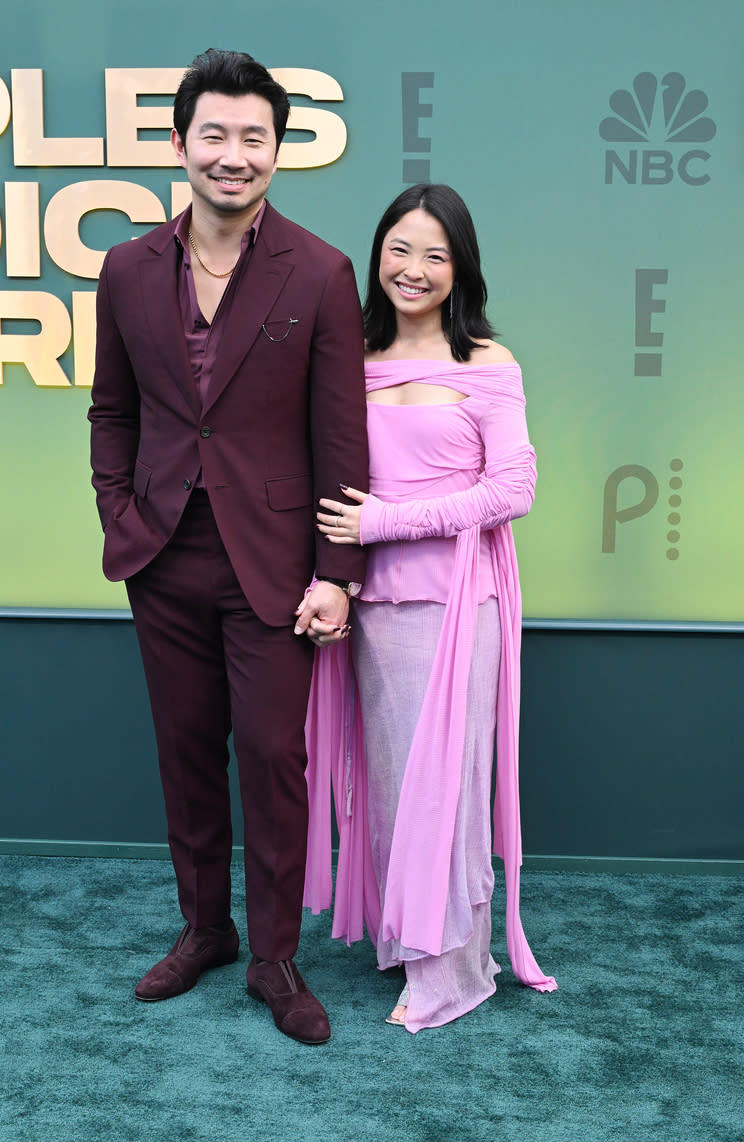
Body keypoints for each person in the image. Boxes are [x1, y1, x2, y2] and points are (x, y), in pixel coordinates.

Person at [88, 48, 368, 1046]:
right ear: (178, 143)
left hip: (276, 562)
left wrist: (339, 573)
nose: (233, 154)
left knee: (270, 758)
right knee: (183, 751)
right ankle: (206, 927)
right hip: (161, 553)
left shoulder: (322, 271)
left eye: (255, 137)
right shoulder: (125, 269)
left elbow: (342, 435)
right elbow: (110, 411)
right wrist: (120, 517)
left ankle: (274, 955)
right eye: (215, 133)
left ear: (277, 151)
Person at [302, 184, 556, 1032]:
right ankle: (411, 943)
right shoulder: (351, 358)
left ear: (462, 269)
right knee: (388, 784)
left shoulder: (487, 361)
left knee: (446, 787)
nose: (414, 269)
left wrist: (388, 521)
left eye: (436, 254)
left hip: (458, 608)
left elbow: (514, 487)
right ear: (377, 256)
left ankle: (455, 971)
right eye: (400, 250)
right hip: (371, 607)